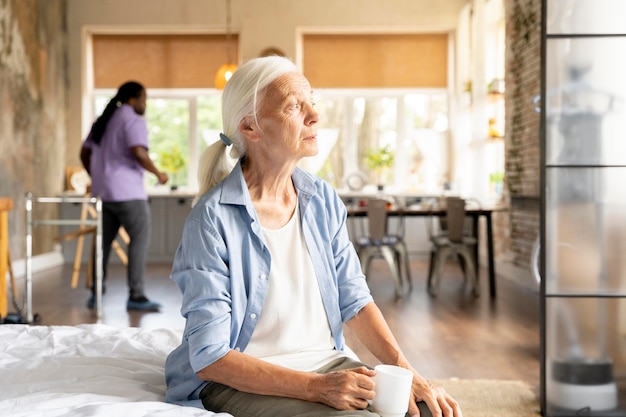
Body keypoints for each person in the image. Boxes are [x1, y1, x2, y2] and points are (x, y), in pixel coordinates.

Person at [165, 56, 462, 417]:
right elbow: (211, 358)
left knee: (431, 412)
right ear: (250, 127)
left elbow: (354, 299)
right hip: (242, 380)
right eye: (294, 106)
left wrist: (409, 373)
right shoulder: (210, 221)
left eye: (312, 102)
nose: (314, 116)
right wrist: (315, 388)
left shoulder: (321, 199)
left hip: (328, 364)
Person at [80, 81, 168, 312]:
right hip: (128, 193)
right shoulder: (132, 120)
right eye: (143, 99)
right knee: (138, 240)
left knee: (102, 245)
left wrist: (97, 175)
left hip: (104, 193)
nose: (145, 104)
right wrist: (158, 173)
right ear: (132, 99)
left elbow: (84, 152)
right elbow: (138, 151)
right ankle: (136, 295)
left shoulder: (103, 121)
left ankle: (96, 293)